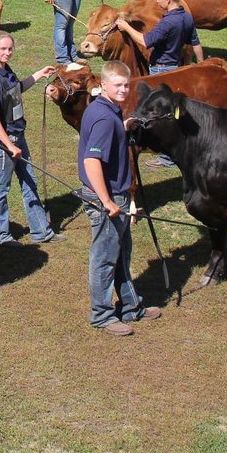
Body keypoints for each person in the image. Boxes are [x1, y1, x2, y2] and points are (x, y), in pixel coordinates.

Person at [78, 59, 161, 336]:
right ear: (103, 85)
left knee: (122, 254)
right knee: (104, 257)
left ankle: (130, 306)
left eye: (127, 85)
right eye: (118, 85)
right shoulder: (103, 117)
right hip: (109, 198)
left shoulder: (107, 110)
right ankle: (101, 315)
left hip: (118, 194)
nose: (124, 90)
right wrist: (107, 201)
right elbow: (92, 161)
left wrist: (123, 127)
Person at [0, 31, 63, 246]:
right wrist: (9, 145)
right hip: (7, 142)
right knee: (1, 188)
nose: (8, 52)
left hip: (18, 137)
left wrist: (38, 74)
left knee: (29, 183)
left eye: (10, 49)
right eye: (3, 49)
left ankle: (41, 231)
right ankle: (1, 235)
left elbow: (16, 89)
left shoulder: (5, 72)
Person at [115, 0, 205, 168]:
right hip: (177, 68)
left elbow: (145, 41)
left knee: (160, 115)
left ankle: (167, 157)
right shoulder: (187, 17)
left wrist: (126, 27)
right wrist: (201, 64)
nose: (156, 1)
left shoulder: (168, 23)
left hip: (161, 70)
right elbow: (195, 42)